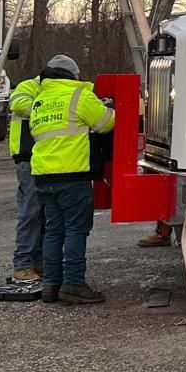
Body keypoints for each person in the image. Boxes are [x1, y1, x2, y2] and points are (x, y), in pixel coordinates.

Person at [29, 54, 115, 306]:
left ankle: (51, 285)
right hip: (73, 175)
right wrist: (110, 107)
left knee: (54, 231)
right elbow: (105, 123)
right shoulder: (79, 95)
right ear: (72, 75)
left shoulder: (40, 100)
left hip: (44, 176)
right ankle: (74, 284)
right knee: (76, 230)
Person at [8, 70, 44, 283]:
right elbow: (19, 104)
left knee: (43, 213)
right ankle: (22, 265)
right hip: (28, 158)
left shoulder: (50, 90)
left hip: (44, 159)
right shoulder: (29, 87)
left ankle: (38, 261)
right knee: (30, 212)